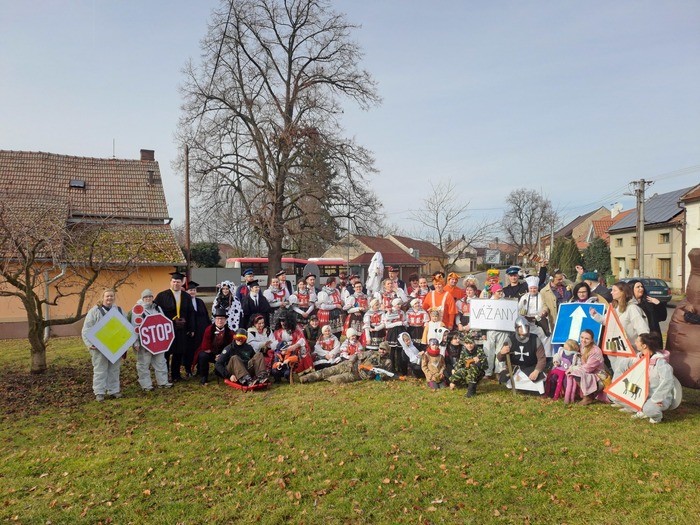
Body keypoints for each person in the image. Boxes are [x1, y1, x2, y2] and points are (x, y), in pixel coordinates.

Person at [590, 281, 649, 379]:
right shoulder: (614, 307)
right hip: (615, 347)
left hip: (630, 349)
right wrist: (595, 315)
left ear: (623, 292)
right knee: (618, 373)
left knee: (628, 376)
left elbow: (642, 328)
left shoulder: (632, 309)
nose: (611, 292)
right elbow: (607, 321)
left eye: (614, 290)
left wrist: (643, 346)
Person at [82, 289, 125, 401]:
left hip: (115, 346)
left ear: (114, 297)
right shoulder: (95, 311)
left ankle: (113, 390)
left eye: (111, 296)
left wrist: (125, 343)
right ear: (103, 297)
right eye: (107, 296)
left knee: (114, 370)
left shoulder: (119, 311)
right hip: (99, 346)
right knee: (100, 370)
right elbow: (87, 329)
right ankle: (99, 392)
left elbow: (126, 327)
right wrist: (89, 343)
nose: (109, 298)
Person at [154, 271, 194, 382]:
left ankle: (176, 375)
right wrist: (171, 320)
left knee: (179, 352)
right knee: (166, 353)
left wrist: (191, 328)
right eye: (174, 281)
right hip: (167, 328)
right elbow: (156, 312)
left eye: (178, 282)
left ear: (182, 283)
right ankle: (165, 375)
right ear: (170, 282)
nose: (176, 284)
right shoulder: (162, 296)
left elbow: (190, 313)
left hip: (182, 328)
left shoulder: (186, 296)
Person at [129, 289, 172, 391]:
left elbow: (164, 322)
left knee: (161, 362)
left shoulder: (157, 308)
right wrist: (136, 342)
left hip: (158, 341)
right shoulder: (138, 309)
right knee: (143, 364)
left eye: (150, 296)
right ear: (142, 298)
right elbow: (134, 327)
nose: (148, 298)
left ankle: (163, 382)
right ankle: (146, 385)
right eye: (146, 297)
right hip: (144, 342)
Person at [629, 332, 676, 424]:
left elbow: (667, 381)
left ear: (644, 346)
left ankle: (656, 417)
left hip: (658, 396)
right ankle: (643, 410)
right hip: (642, 394)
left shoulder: (661, 363)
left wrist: (657, 399)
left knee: (649, 409)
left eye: (637, 341)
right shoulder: (639, 358)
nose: (635, 343)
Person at [300, 341, 393, 384]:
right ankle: (307, 378)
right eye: (381, 349)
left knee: (336, 379)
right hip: (350, 365)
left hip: (357, 375)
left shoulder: (387, 362)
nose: (382, 351)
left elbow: (385, 375)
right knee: (329, 370)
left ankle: (322, 379)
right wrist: (350, 362)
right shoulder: (371, 353)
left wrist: (379, 375)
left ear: (388, 351)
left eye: (384, 350)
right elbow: (356, 355)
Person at [498, 316, 546, 385]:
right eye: (520, 327)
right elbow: (500, 358)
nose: (524, 329)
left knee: (540, 379)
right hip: (513, 369)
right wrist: (502, 353)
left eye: (526, 326)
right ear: (516, 328)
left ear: (528, 327)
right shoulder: (510, 339)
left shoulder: (535, 339)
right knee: (506, 379)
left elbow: (542, 358)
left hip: (530, 368)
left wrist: (536, 371)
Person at [566, 330, 608, 405]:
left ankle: (587, 397)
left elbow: (588, 368)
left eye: (587, 339)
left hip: (598, 376)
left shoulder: (595, 351)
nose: (583, 340)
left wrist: (573, 368)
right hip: (586, 371)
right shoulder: (581, 346)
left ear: (592, 340)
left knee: (577, 374)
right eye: (582, 337)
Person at [195, 309, 234, 385]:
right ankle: (204, 377)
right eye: (218, 318)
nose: (220, 321)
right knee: (203, 355)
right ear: (215, 319)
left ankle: (222, 372)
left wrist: (222, 355)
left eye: (222, 319)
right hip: (210, 353)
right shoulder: (209, 330)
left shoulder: (229, 332)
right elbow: (205, 346)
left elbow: (230, 346)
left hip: (223, 354)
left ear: (225, 320)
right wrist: (214, 355)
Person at [482, 284, 510, 379]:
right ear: (494, 292)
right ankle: (488, 372)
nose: (500, 293)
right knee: (489, 351)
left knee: (500, 350)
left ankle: (499, 371)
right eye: (498, 291)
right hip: (490, 330)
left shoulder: (506, 303)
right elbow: (483, 318)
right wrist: (483, 332)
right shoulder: (488, 303)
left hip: (502, 330)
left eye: (501, 291)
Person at [186, 281, 211, 377]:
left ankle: (200, 369)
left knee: (201, 350)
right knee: (190, 351)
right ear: (187, 291)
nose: (192, 292)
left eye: (194, 290)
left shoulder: (200, 302)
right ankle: (188, 370)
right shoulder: (185, 302)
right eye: (190, 290)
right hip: (191, 332)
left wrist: (209, 328)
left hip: (201, 331)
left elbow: (206, 316)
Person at [540, 269, 573, 335]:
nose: (561, 281)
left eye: (562, 278)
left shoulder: (568, 284)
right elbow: (544, 304)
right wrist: (544, 311)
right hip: (556, 320)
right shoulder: (544, 291)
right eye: (559, 279)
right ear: (551, 279)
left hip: (570, 318)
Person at [383, 297, 407, 374]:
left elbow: (404, 320)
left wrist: (404, 323)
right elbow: (387, 325)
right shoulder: (390, 312)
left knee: (400, 350)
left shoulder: (402, 312)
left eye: (400, 304)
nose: (399, 306)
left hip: (401, 331)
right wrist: (398, 323)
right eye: (397, 304)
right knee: (392, 351)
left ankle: (400, 368)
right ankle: (391, 368)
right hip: (393, 331)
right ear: (394, 305)